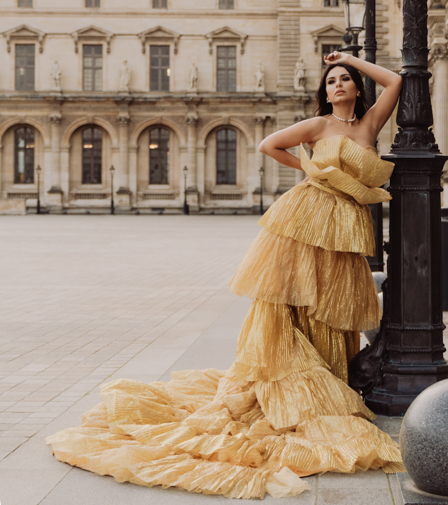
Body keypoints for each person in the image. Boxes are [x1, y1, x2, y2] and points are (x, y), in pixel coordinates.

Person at [47, 51, 404, 498]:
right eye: (330, 80)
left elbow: (395, 81)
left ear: (355, 87)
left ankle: (330, 376)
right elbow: (268, 144)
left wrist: (352, 57)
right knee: (291, 302)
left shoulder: (369, 125)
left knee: (331, 307)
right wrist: (308, 168)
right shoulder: (317, 127)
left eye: (344, 79)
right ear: (324, 91)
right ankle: (301, 389)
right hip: (306, 216)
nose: (336, 85)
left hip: (345, 227)